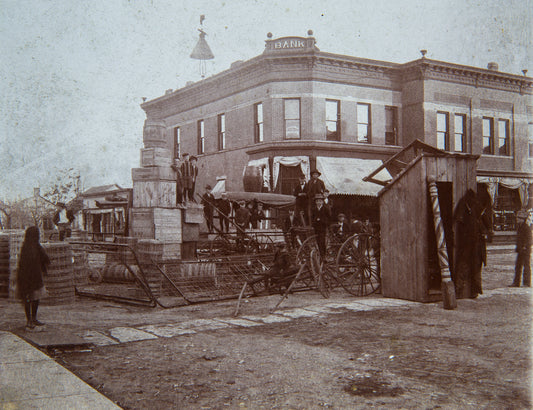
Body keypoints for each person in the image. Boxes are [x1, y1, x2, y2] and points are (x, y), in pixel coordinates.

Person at [454, 189, 492, 299]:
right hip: (475, 245)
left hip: (467, 244)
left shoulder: (466, 205)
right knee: (473, 268)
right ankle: (472, 291)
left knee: (464, 266)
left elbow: (458, 219)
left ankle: (459, 291)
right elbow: (487, 224)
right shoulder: (476, 207)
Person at [16, 226, 50, 329]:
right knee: (29, 297)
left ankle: (33, 319)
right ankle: (30, 320)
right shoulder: (27, 247)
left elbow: (45, 258)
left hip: (32, 276)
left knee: (34, 297)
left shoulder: (34, 246)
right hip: (28, 276)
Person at [511, 211, 532, 287]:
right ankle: (516, 282)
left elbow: (529, 239)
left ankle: (526, 282)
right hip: (521, 250)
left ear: (522, 219)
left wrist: (525, 247)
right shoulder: (520, 227)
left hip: (525, 250)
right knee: (518, 266)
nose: (517, 219)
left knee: (526, 266)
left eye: (518, 218)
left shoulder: (526, 227)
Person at [311, 193, 331, 261]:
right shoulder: (314, 209)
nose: (318, 202)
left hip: (323, 227)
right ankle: (320, 255)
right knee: (318, 241)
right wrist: (314, 222)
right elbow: (312, 217)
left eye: (320, 201)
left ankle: (324, 255)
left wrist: (322, 221)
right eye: (317, 201)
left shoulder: (325, 208)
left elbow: (329, 217)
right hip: (316, 227)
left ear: (322, 201)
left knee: (322, 241)